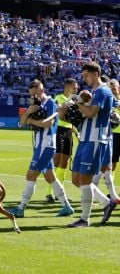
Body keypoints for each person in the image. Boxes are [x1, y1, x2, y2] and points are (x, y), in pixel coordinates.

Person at [59, 62, 117, 228]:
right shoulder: (94, 92)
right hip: (85, 138)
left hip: (95, 139)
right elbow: (85, 114)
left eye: (86, 75)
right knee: (76, 179)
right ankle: (107, 203)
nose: (84, 79)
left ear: (96, 74)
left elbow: (91, 112)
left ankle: (84, 219)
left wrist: (78, 103)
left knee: (85, 178)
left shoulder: (103, 91)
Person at [10, 79, 74, 218]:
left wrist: (30, 120)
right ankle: (67, 207)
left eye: (35, 94)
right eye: (32, 95)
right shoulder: (35, 104)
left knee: (31, 174)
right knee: (51, 177)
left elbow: (48, 124)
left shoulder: (50, 103)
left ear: (41, 90)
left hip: (46, 144)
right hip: (40, 144)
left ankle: (21, 208)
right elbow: (20, 123)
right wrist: (28, 113)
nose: (33, 97)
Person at [46, 78, 79, 203]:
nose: (76, 89)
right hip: (59, 130)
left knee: (64, 163)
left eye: (76, 88)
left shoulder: (75, 101)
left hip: (68, 131)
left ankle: (60, 192)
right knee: (56, 160)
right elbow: (58, 114)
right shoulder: (58, 98)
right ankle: (49, 193)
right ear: (67, 87)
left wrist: (77, 133)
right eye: (74, 87)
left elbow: (73, 120)